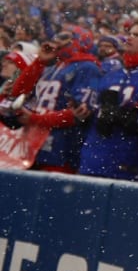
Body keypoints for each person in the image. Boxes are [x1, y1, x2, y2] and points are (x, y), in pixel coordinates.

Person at [78, 19, 138, 181]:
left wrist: (131, 116)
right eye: (129, 34)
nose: (129, 38)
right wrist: (84, 113)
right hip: (93, 159)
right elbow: (94, 114)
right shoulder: (113, 73)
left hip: (126, 164)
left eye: (137, 35)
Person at [18, 27, 102, 175]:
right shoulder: (53, 66)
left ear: (79, 40)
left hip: (61, 149)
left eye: (64, 36)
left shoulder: (87, 68)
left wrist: (34, 119)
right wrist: (39, 62)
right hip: (33, 147)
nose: (56, 39)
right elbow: (18, 92)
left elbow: (77, 115)